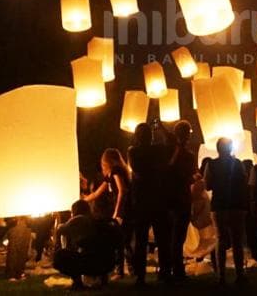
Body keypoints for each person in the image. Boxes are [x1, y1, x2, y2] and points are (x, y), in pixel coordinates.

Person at [128, 123, 172, 285]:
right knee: (162, 238)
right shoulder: (158, 150)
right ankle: (165, 271)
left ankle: (140, 275)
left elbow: (137, 170)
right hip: (158, 199)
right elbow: (172, 143)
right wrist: (162, 129)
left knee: (141, 240)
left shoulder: (133, 151)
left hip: (141, 200)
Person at [204, 137, 248, 284]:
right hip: (236, 205)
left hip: (219, 205)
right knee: (237, 241)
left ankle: (221, 275)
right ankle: (239, 274)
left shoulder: (212, 164)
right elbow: (244, 182)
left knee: (221, 240)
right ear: (230, 148)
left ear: (218, 149)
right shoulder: (238, 164)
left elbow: (207, 185)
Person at [84, 148, 131, 278]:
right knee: (121, 239)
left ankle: (121, 270)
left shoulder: (116, 171)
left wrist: (117, 211)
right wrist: (83, 200)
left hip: (124, 209)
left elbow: (122, 190)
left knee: (120, 239)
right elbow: (97, 193)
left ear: (107, 161)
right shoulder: (109, 176)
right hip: (121, 209)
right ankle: (126, 269)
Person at [53, 200, 118, 290]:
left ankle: (77, 283)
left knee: (59, 256)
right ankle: (103, 279)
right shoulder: (100, 220)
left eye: (72, 212)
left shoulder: (79, 219)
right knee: (96, 250)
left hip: (91, 264)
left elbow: (61, 229)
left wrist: (60, 226)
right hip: (108, 263)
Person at [166, 120, 197, 280]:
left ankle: (173, 268)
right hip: (180, 198)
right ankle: (177, 270)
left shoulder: (169, 152)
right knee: (178, 236)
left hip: (172, 197)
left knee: (174, 236)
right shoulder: (186, 155)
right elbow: (187, 175)